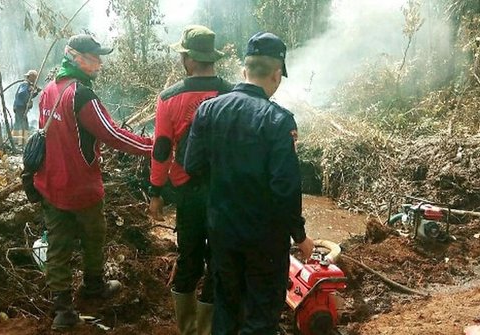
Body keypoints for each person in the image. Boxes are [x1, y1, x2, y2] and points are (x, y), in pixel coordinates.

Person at [183, 32, 314, 335]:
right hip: (264, 239)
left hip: (221, 233)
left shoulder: (208, 110)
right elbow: (286, 188)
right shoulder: (279, 121)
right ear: (277, 74)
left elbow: (192, 166)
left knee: (226, 308)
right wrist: (300, 235)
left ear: (244, 70)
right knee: (260, 315)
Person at [33, 34, 153, 331]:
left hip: (51, 184)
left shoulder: (49, 89)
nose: (99, 63)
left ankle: (62, 309)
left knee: (58, 246)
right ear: (75, 57)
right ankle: (93, 287)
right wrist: (152, 147)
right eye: (93, 57)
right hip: (80, 187)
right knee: (93, 237)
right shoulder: (82, 95)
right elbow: (113, 135)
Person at [148, 25, 232, 335]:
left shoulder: (170, 98)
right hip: (226, 194)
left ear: (189, 60)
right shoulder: (232, 93)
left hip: (187, 192)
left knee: (189, 258)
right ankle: (210, 328)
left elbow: (161, 149)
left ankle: (187, 329)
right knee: (220, 259)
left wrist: (155, 191)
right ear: (212, 58)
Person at [13, 69, 39, 136]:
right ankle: (19, 141)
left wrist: (36, 92)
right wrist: (28, 102)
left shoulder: (27, 85)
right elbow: (22, 94)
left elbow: (29, 96)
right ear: (31, 77)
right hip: (20, 107)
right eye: (34, 78)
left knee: (22, 124)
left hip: (20, 107)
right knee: (21, 124)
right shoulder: (25, 84)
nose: (35, 79)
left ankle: (20, 141)